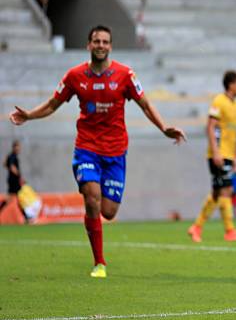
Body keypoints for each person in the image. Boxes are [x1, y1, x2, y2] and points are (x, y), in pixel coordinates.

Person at [9, 25, 186, 278]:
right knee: (91, 197)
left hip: (115, 151)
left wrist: (164, 127)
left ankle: (96, 227)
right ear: (88, 45)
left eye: (105, 41)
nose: (100, 45)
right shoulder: (74, 76)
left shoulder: (125, 75)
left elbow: (145, 105)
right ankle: (99, 262)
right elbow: (52, 104)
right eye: (96, 41)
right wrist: (29, 116)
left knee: (108, 212)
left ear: (110, 46)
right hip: (87, 148)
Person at [188, 71, 236, 243]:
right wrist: (215, 151)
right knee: (227, 190)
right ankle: (230, 231)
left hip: (229, 154)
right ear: (231, 84)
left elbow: (231, 130)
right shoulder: (219, 101)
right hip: (219, 154)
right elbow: (210, 127)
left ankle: (196, 227)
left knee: (217, 193)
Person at [0, 140, 22, 214]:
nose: (18, 149)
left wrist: (9, 167)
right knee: (16, 198)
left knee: (16, 198)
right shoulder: (13, 156)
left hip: (12, 180)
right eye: (17, 147)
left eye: (19, 147)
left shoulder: (10, 155)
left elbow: (4, 164)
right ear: (14, 147)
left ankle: (26, 217)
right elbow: (12, 167)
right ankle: (27, 217)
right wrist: (19, 175)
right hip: (14, 181)